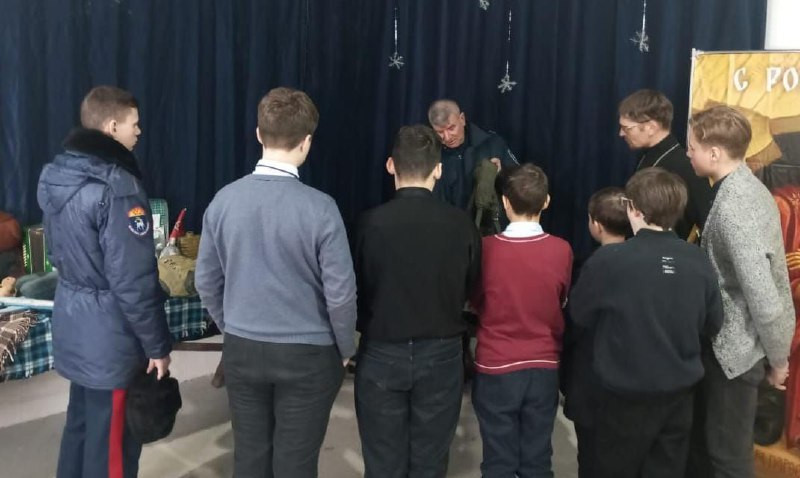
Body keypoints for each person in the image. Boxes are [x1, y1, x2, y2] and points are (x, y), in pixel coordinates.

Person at [195, 87, 356, 477]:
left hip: (243, 348)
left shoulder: (223, 201)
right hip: (309, 354)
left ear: (258, 134)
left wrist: (233, 325)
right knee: (295, 464)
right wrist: (345, 347)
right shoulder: (321, 208)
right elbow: (340, 293)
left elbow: (205, 280)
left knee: (249, 457)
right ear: (307, 142)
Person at [37, 85, 172, 478]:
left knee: (81, 430)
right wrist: (157, 345)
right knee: (112, 445)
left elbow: (58, 254)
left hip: (76, 324)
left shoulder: (58, 176)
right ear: (112, 127)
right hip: (111, 340)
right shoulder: (118, 188)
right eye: (134, 123)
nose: (139, 131)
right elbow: (134, 281)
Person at [570, 168, 724, 478]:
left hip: (623, 395)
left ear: (634, 209)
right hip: (679, 394)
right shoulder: (698, 260)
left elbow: (579, 315)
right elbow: (713, 323)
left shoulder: (608, 261)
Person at [353, 124, 481, 478]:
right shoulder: (461, 224)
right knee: (431, 461)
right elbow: (471, 286)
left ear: (390, 165)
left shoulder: (368, 224)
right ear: (438, 169)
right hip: (442, 352)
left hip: (381, 350)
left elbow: (354, 286)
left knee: (382, 461)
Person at [685, 105, 795, 477]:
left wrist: (779, 360)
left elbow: (763, 295)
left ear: (715, 153)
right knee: (711, 449)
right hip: (733, 348)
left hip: (734, 354)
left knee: (728, 456)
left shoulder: (735, 209)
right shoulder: (749, 187)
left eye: (693, 147)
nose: (688, 153)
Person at [470, 164, 572, 477]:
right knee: (537, 457)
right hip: (543, 364)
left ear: (504, 202)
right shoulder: (561, 250)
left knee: (497, 458)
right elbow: (561, 299)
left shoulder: (486, 249)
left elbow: (475, 301)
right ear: (546, 201)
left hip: (495, 362)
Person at [562, 186, 631, 478]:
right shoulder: (643, 263)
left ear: (596, 224)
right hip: (631, 384)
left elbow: (575, 322)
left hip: (592, 383)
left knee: (591, 458)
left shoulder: (589, 268)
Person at [618, 89, 713, 240]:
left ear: (651, 127)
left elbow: (707, 224)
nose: (621, 133)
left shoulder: (687, 167)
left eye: (626, 128)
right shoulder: (648, 156)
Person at [427, 99, 519, 216]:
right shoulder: (429, 154)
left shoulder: (492, 144)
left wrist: (502, 173)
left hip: (487, 224)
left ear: (462, 119)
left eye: (451, 128)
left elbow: (521, 185)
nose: (447, 137)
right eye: (440, 132)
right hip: (445, 223)